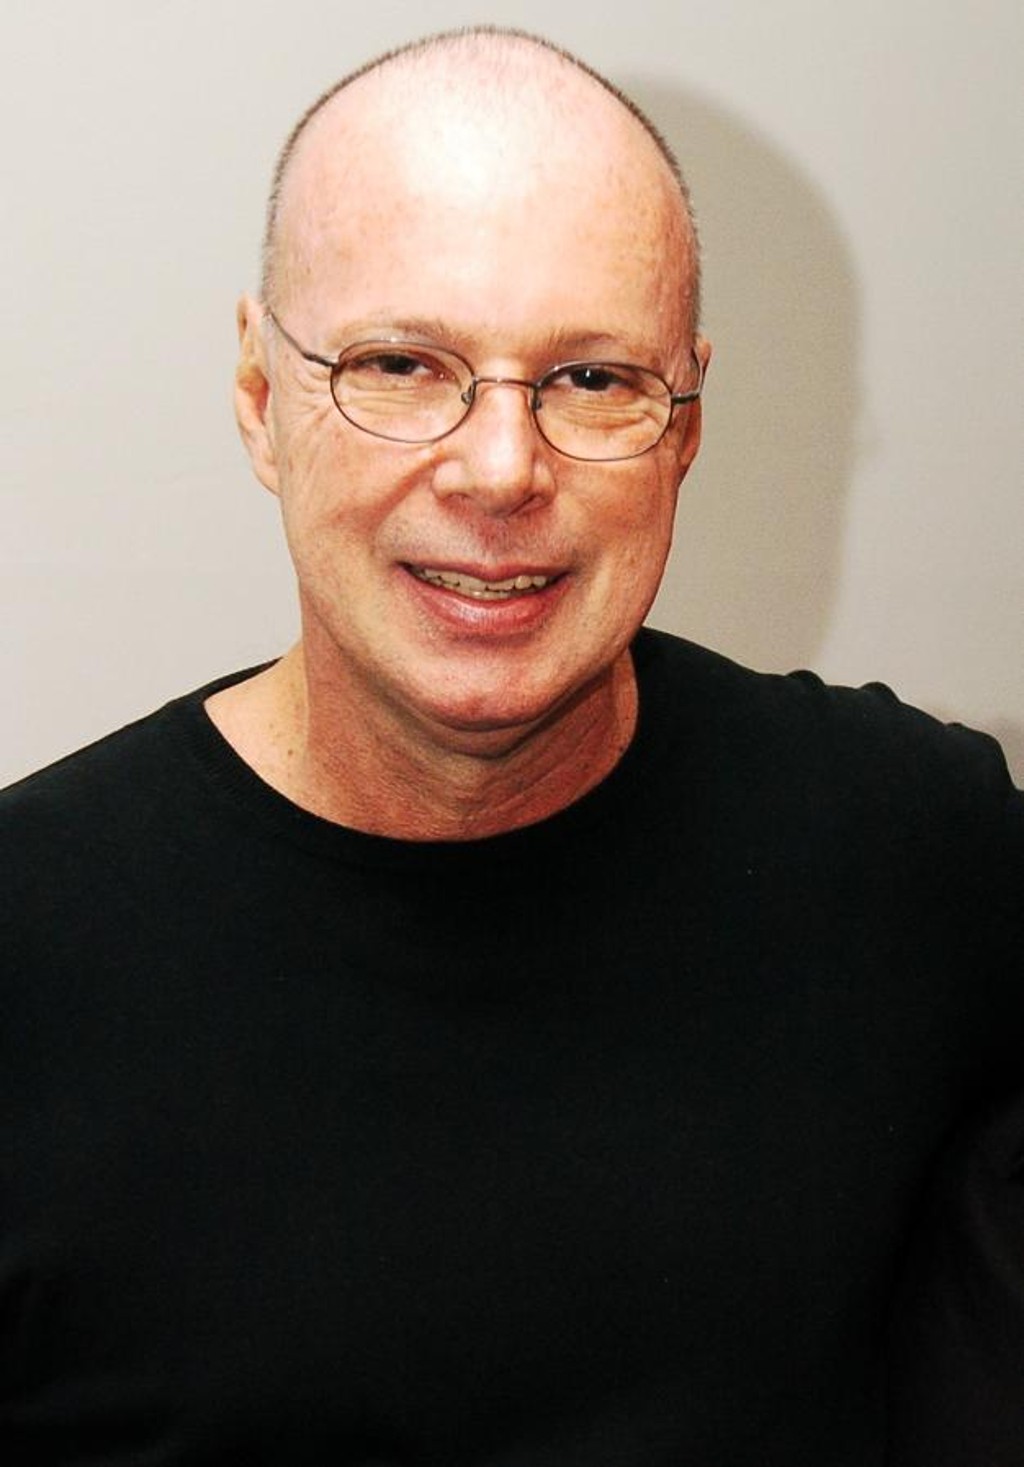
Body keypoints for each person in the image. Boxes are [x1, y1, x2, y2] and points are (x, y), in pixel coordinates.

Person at [0, 25, 1021, 1466]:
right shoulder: (28, 955)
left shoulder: (921, 855)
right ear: (260, 398)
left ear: (686, 422)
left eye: (593, 379)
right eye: (401, 364)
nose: (499, 470)